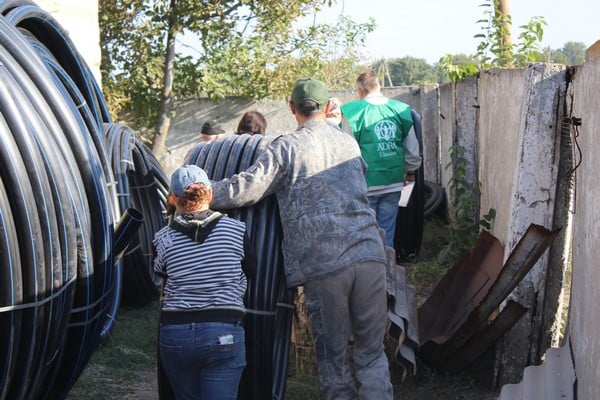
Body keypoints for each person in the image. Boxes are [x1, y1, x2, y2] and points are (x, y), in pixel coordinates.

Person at [210, 78, 393, 399]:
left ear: (292, 109)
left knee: (334, 364)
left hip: (326, 266)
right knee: (371, 354)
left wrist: (205, 193)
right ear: (326, 107)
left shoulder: (286, 147)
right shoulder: (348, 143)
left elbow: (248, 188)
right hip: (370, 255)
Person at [153, 165, 251, 400]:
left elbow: (161, 274)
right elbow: (252, 270)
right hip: (223, 332)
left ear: (172, 198)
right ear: (210, 194)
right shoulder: (236, 230)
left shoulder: (162, 237)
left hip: (175, 335)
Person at [340, 70, 422, 248]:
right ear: (379, 87)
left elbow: (347, 153)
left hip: (365, 185)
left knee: (365, 234)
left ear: (360, 90)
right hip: (393, 182)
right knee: (387, 231)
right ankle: (388, 272)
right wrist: (410, 171)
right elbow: (412, 151)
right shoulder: (401, 110)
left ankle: (371, 273)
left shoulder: (351, 112)